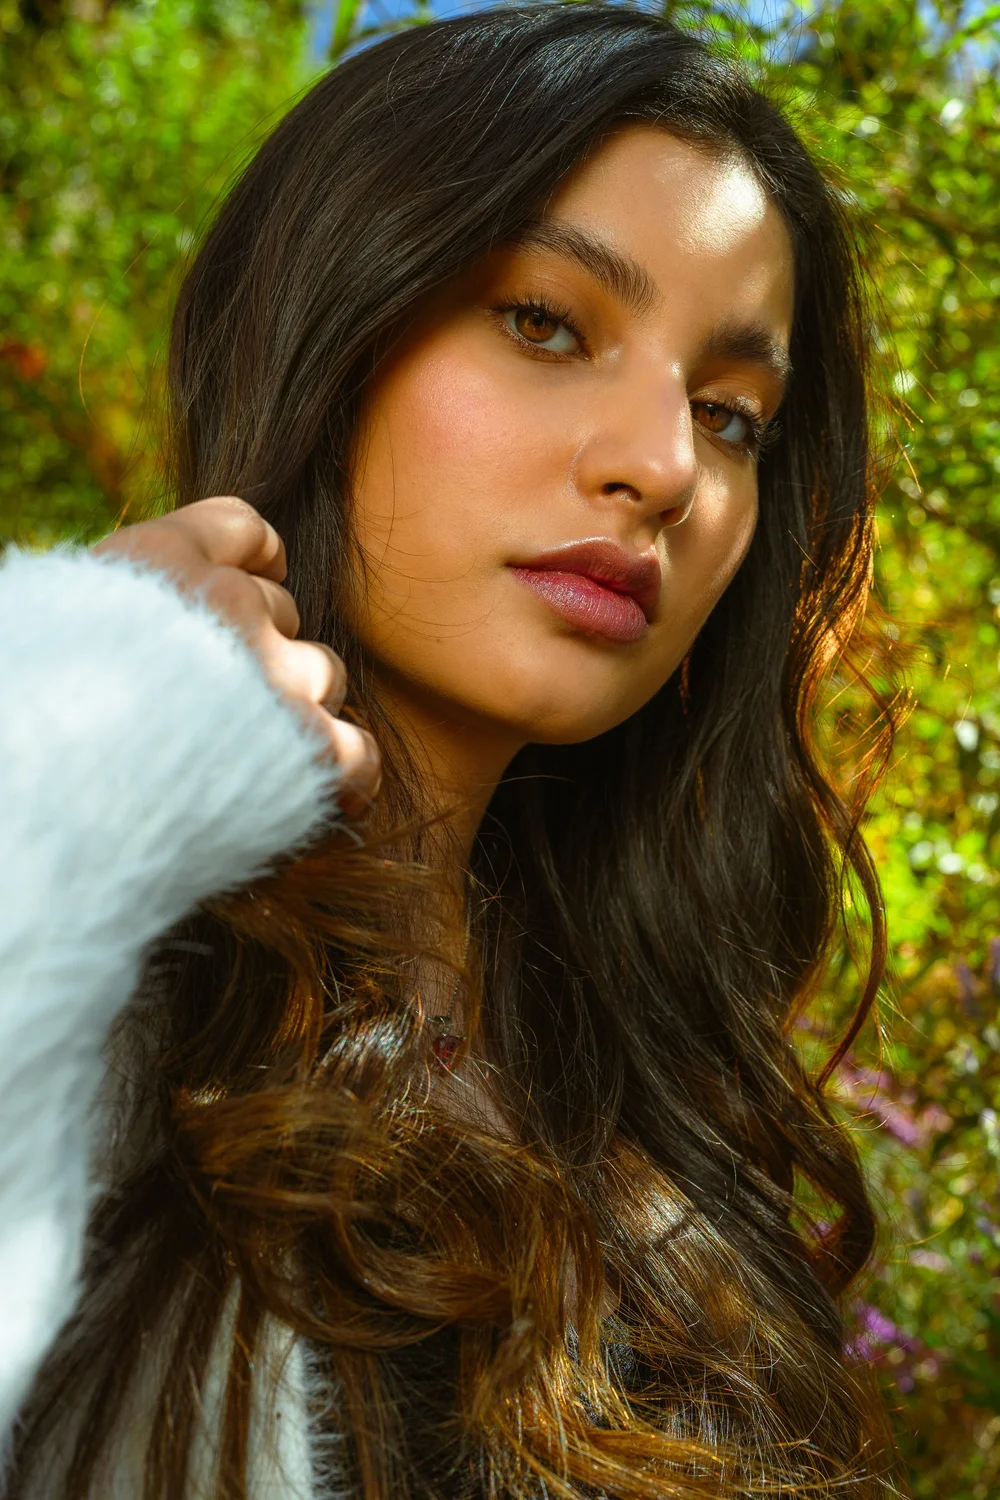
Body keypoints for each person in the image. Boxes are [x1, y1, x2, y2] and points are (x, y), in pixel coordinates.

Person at [0, 5, 901, 1497]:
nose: (664, 466)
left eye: (732, 414)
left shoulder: (651, 1125)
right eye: (546, 323)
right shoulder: (109, 972)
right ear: (328, 328)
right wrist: (85, 703)